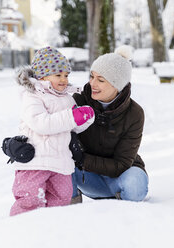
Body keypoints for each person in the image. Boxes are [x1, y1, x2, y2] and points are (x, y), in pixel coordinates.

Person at [9, 46, 95, 216]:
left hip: (60, 162)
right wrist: (72, 117)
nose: (64, 80)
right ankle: (19, 230)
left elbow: (71, 125)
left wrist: (85, 118)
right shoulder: (32, 95)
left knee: (62, 199)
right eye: (58, 75)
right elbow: (41, 123)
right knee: (30, 199)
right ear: (42, 76)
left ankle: (51, 230)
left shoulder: (67, 97)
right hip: (36, 161)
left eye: (66, 75)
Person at [69, 45, 148, 202]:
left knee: (134, 184)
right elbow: (47, 121)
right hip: (89, 178)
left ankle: (122, 208)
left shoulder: (134, 113)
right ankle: (71, 208)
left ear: (117, 85)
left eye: (100, 80)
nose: (92, 83)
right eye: (92, 76)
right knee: (62, 165)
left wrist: (82, 159)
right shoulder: (78, 101)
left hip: (121, 176)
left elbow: (122, 164)